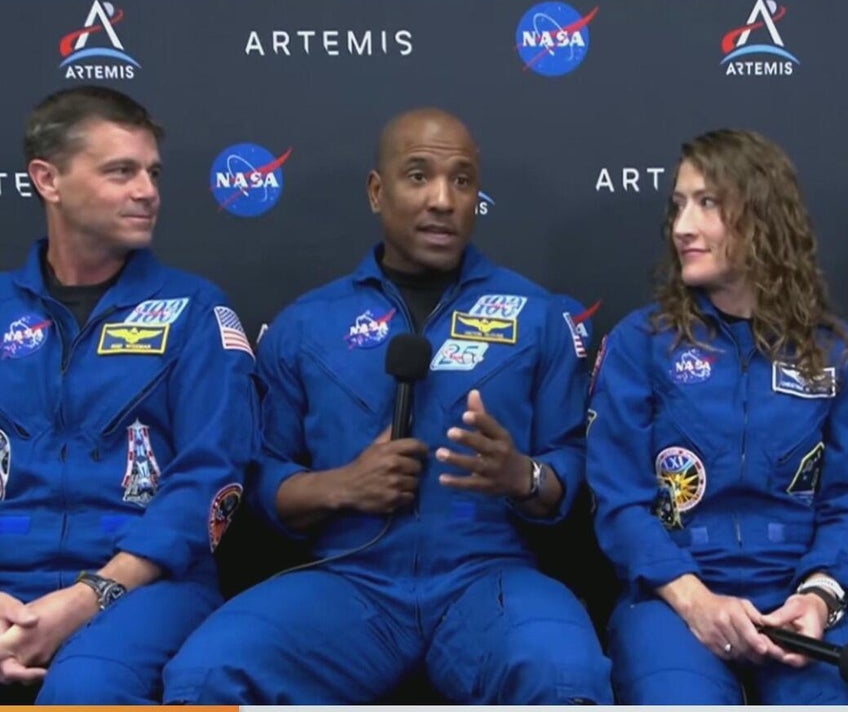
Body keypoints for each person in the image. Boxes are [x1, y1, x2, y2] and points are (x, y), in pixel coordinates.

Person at [161, 107, 613, 704]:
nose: (443, 200)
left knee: (565, 675)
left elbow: (571, 461)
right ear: (377, 191)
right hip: (349, 578)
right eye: (419, 176)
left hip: (490, 575)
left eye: (462, 181)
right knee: (207, 673)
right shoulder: (307, 324)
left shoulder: (536, 316)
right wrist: (341, 487)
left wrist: (522, 476)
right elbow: (260, 476)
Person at [586, 129, 848, 704]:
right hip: (671, 595)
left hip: (796, 596)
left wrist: (819, 597)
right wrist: (694, 601)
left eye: (707, 203)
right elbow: (620, 502)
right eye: (679, 205)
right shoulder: (640, 344)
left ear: (763, 215)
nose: (682, 227)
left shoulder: (836, 352)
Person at [0, 85, 256, 703]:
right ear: (47, 180)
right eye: (121, 172)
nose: (147, 191)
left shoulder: (196, 312)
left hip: (144, 582)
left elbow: (211, 478)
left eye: (152, 173)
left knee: (85, 689)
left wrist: (88, 597)